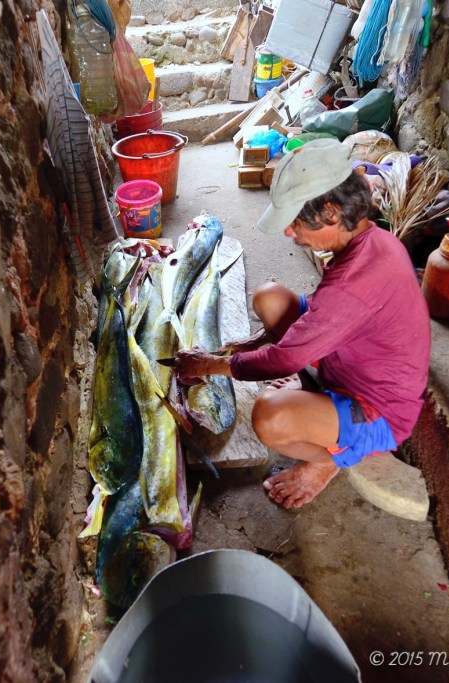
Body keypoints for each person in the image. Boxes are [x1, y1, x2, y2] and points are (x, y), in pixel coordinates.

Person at [172, 138, 431, 509]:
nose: (289, 233)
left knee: (270, 417)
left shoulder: (354, 284)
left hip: (378, 410)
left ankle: (326, 462)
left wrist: (211, 365)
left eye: (294, 222)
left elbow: (283, 360)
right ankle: (317, 400)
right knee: (269, 297)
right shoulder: (371, 239)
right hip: (349, 362)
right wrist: (254, 343)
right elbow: (323, 318)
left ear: (331, 214)